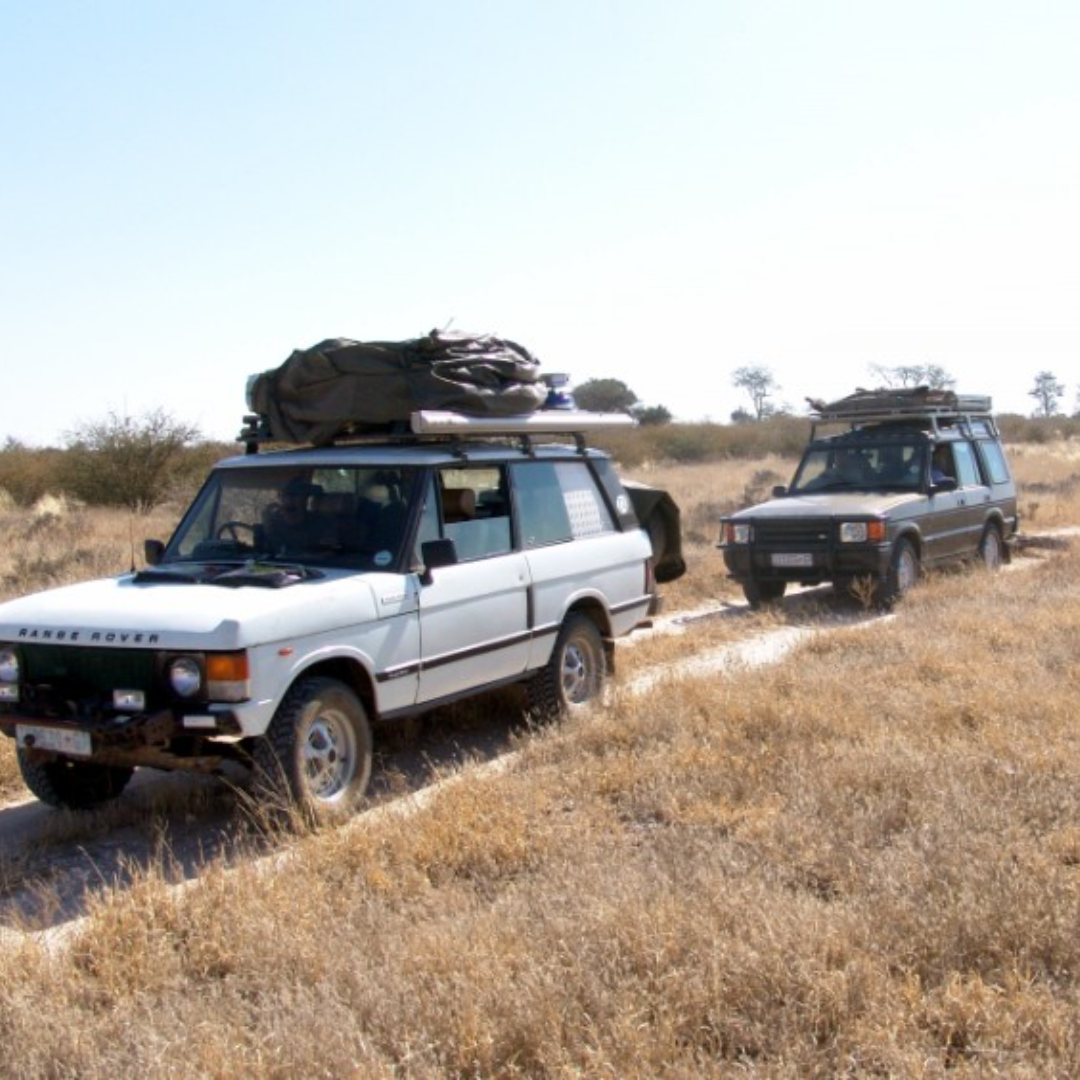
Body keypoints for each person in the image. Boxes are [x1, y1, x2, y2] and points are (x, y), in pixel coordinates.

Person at [262, 476, 323, 553]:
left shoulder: (319, 522)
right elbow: (262, 552)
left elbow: (326, 552)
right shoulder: (273, 522)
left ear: (305, 499)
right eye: (284, 496)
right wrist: (267, 525)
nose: (289, 500)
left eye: (294, 495)